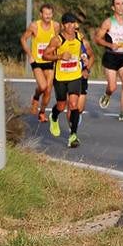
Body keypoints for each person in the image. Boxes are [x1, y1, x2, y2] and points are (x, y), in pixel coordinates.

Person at [43, 12, 90, 148]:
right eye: (68, 24)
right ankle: (54, 116)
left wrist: (85, 59)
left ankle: (73, 135)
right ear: (63, 25)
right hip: (60, 77)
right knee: (61, 106)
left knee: (74, 105)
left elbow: (86, 52)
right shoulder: (57, 40)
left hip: (75, 76)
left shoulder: (79, 37)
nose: (71, 26)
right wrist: (60, 56)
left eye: (72, 23)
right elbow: (45, 55)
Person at [95, 0, 123, 120]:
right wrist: (110, 45)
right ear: (113, 7)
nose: (120, 6)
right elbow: (97, 39)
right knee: (112, 87)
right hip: (110, 57)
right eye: (117, 4)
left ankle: (122, 113)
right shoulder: (108, 22)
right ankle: (107, 94)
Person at [21, 3, 57, 122]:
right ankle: (36, 97)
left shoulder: (56, 26)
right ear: (41, 14)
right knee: (42, 86)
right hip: (37, 60)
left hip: (49, 60)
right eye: (46, 14)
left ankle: (42, 112)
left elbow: (59, 41)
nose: (48, 16)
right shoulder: (34, 26)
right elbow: (23, 39)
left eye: (50, 14)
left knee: (48, 90)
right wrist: (30, 55)